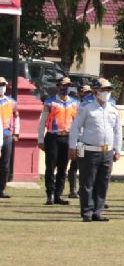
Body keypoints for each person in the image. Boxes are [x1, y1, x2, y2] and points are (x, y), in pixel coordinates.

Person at [67, 78, 120, 222]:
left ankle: (98, 211)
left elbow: (117, 131)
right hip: (89, 150)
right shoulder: (86, 108)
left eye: (108, 90)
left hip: (107, 151)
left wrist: (117, 149)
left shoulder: (113, 110)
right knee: (87, 183)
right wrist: (72, 147)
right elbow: (75, 128)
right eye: (104, 90)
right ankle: (87, 212)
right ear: (96, 92)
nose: (106, 93)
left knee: (103, 183)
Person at [39, 76, 78, 205]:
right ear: (58, 86)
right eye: (63, 85)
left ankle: (58, 195)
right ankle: (49, 194)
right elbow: (42, 122)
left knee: (63, 168)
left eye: (68, 85)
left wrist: (76, 141)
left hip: (67, 137)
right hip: (52, 137)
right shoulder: (50, 102)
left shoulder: (74, 103)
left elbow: (77, 123)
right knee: (50, 167)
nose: (65, 88)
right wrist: (40, 139)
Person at [0, 76, 19, 199]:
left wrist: (16, 132)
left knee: (5, 165)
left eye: (3, 85)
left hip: (7, 135)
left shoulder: (11, 102)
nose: (1, 87)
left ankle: (1, 189)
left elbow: (16, 116)